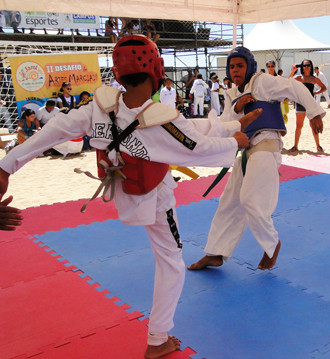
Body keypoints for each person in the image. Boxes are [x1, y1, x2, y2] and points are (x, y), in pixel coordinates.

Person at [0, 34, 261, 358]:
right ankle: (157, 339)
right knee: (172, 263)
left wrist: (7, 167)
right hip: (154, 197)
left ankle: (158, 337)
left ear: (118, 74)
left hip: (119, 191)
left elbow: (55, 129)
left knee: (168, 257)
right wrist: (236, 140)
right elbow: (197, 148)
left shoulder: (100, 107)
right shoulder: (160, 121)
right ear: (157, 70)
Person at [188, 46, 325, 271]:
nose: (235, 70)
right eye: (231, 67)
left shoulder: (262, 82)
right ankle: (216, 253)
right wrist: (237, 107)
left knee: (250, 199)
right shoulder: (231, 93)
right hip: (246, 149)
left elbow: (294, 86)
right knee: (229, 201)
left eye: (240, 66)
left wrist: (314, 113)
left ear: (249, 66)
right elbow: (225, 124)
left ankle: (272, 243)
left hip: (266, 144)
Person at [288, 59, 327, 152]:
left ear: (311, 66)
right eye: (304, 65)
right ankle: (295, 146)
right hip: (300, 103)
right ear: (301, 67)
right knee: (299, 126)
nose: (306, 67)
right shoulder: (299, 77)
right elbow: (288, 82)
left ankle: (318, 145)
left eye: (308, 65)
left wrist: (316, 93)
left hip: (310, 104)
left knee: (313, 125)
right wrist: (293, 71)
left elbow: (324, 87)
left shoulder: (314, 79)